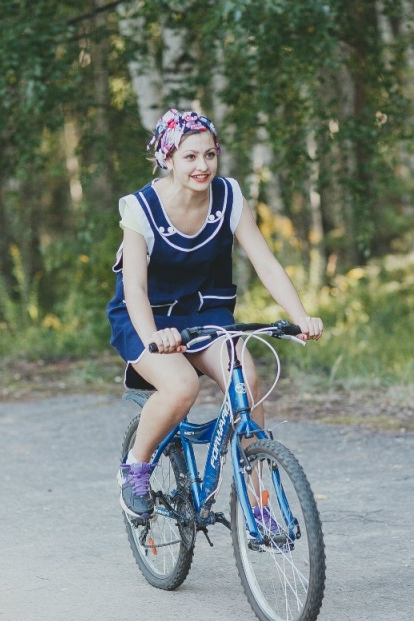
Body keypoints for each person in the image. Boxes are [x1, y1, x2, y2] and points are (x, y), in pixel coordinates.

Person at [106, 108, 323, 522]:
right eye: (190, 156)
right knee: (180, 386)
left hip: (206, 312)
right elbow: (134, 288)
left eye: (209, 155)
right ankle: (135, 467)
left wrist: (300, 317)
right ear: (168, 158)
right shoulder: (140, 209)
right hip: (148, 318)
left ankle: (257, 504)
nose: (202, 166)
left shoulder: (228, 197)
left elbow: (266, 263)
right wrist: (153, 337)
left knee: (248, 383)